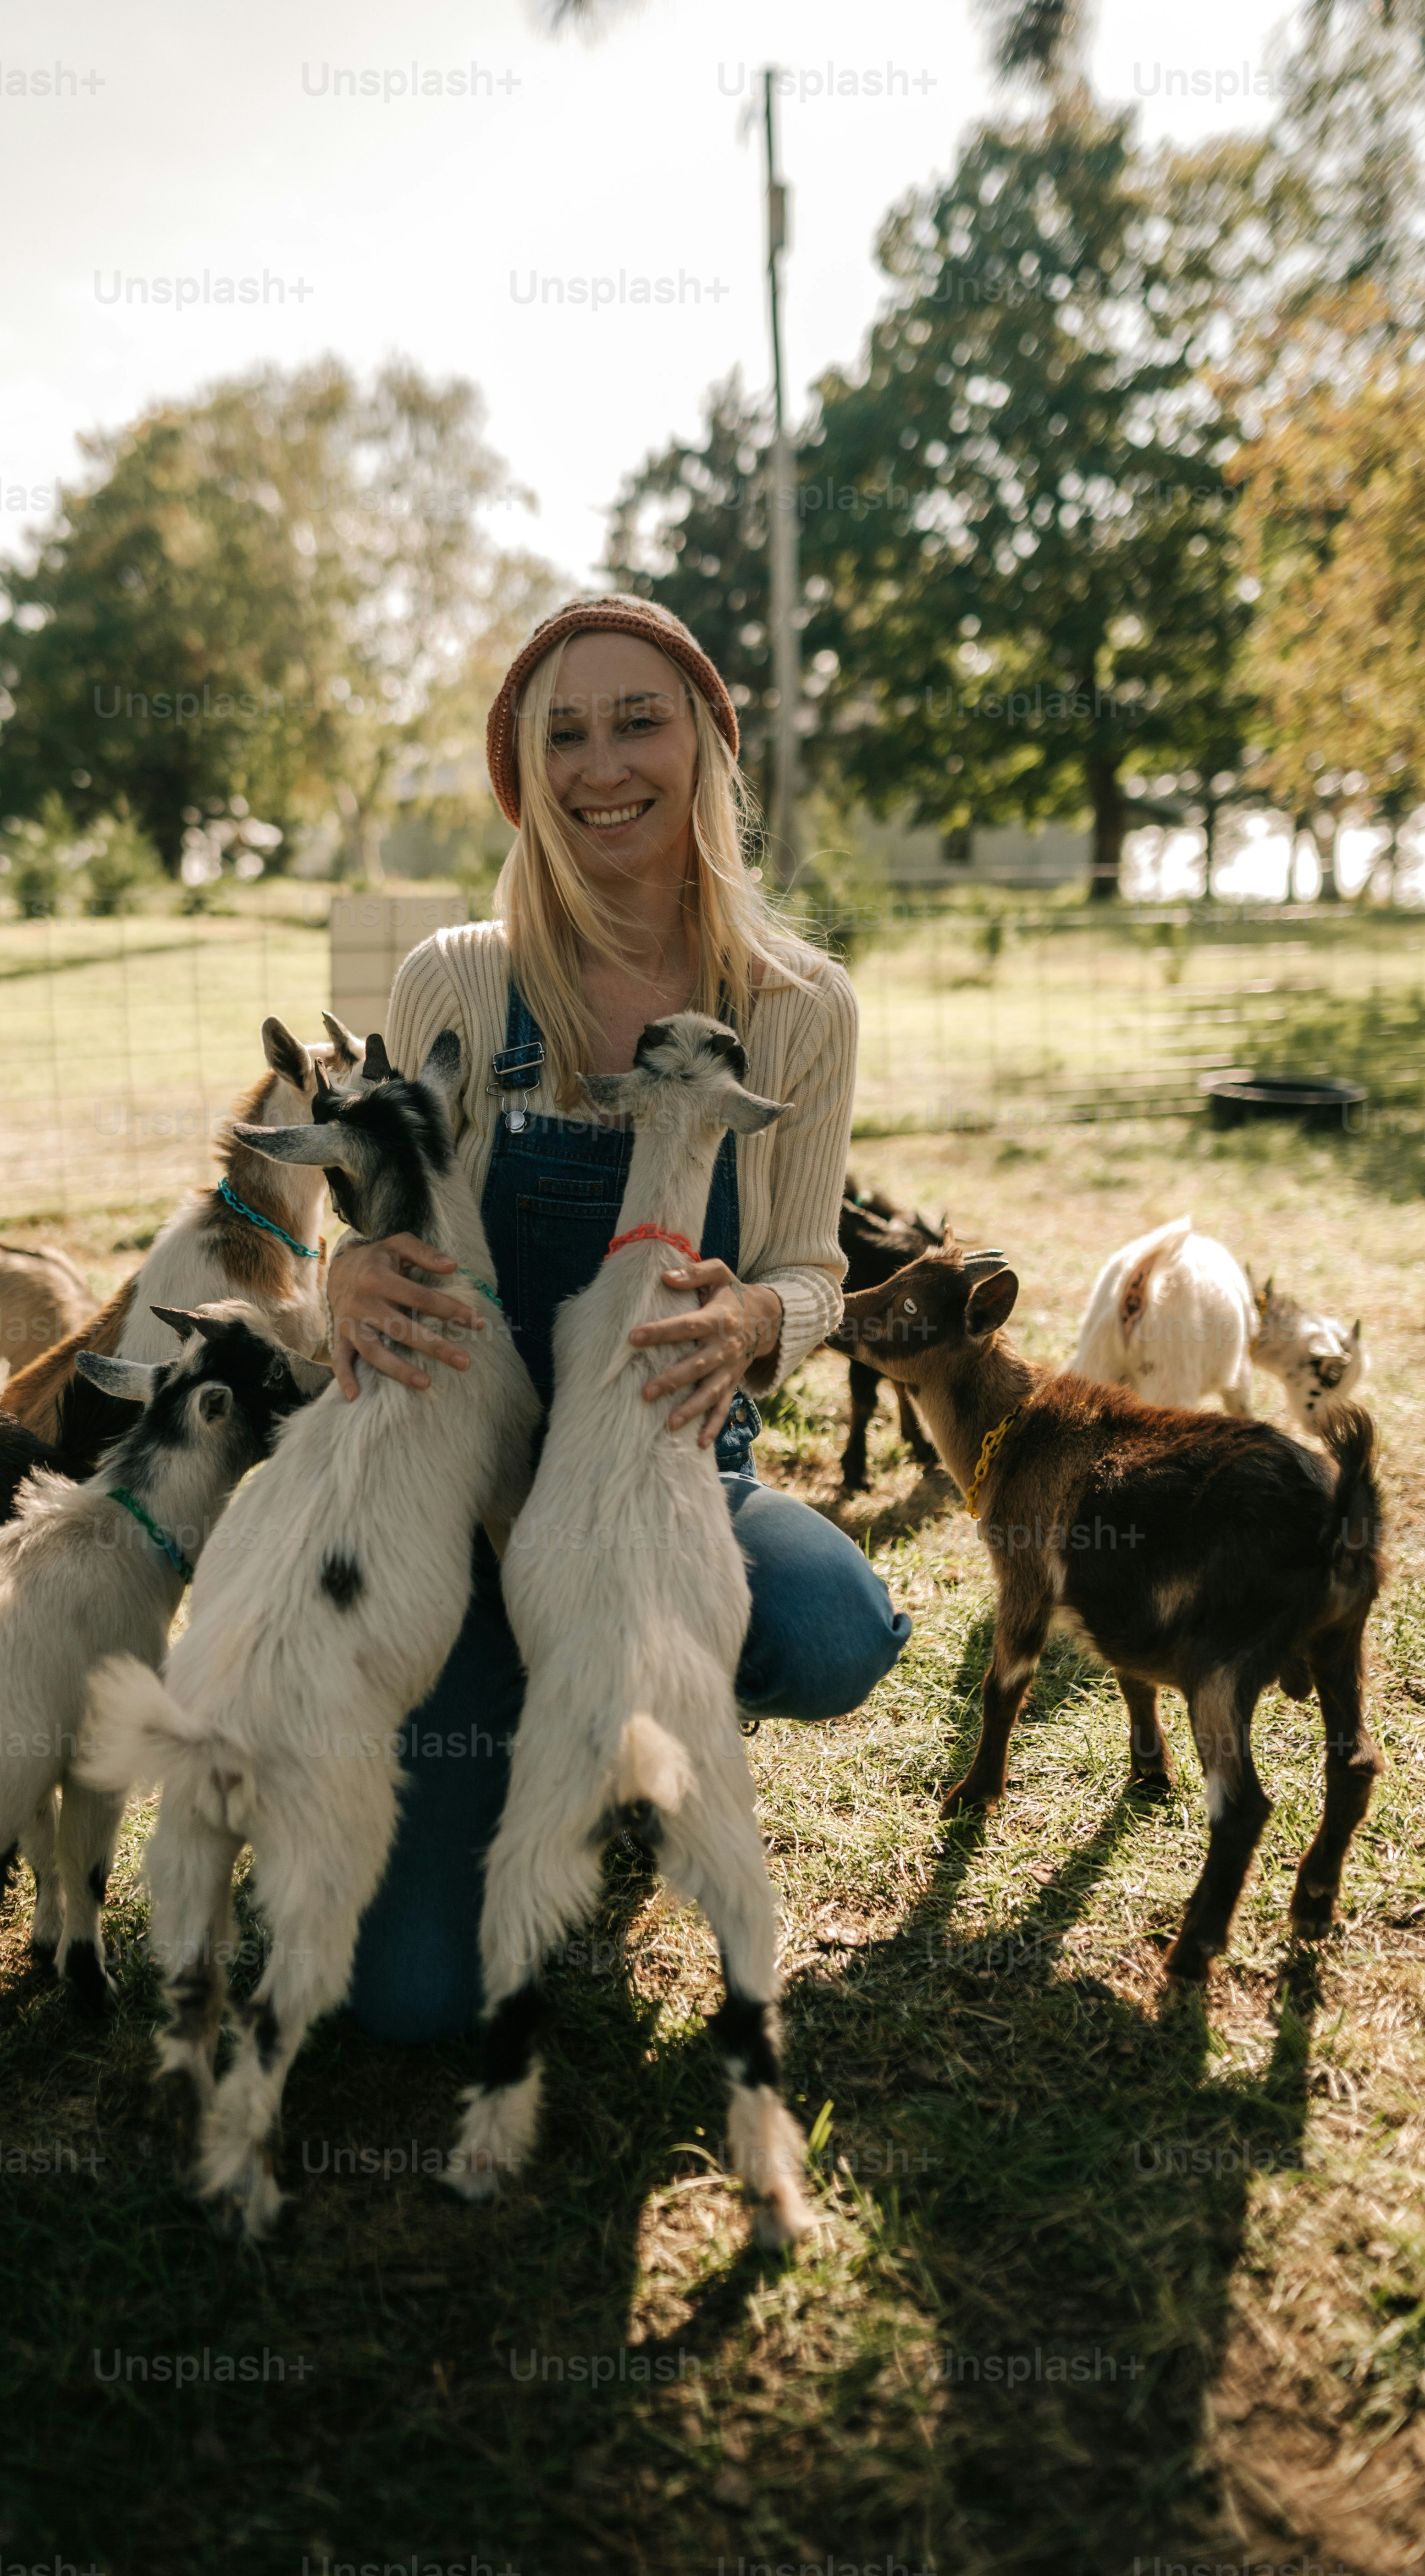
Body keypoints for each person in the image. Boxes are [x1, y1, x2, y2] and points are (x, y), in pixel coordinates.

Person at [324, 594, 910, 2042]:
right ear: (525, 776)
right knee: (406, 2006)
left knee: (835, 1625)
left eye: (638, 721)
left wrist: (757, 1327)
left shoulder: (798, 1007)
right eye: (563, 734)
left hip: (664, 1494)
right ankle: (515, 1710)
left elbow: (813, 1268)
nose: (602, 766)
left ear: (710, 745)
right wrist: (344, 1271)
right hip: (466, 1508)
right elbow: (384, 1205)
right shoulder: (455, 976)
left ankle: (646, 1720)